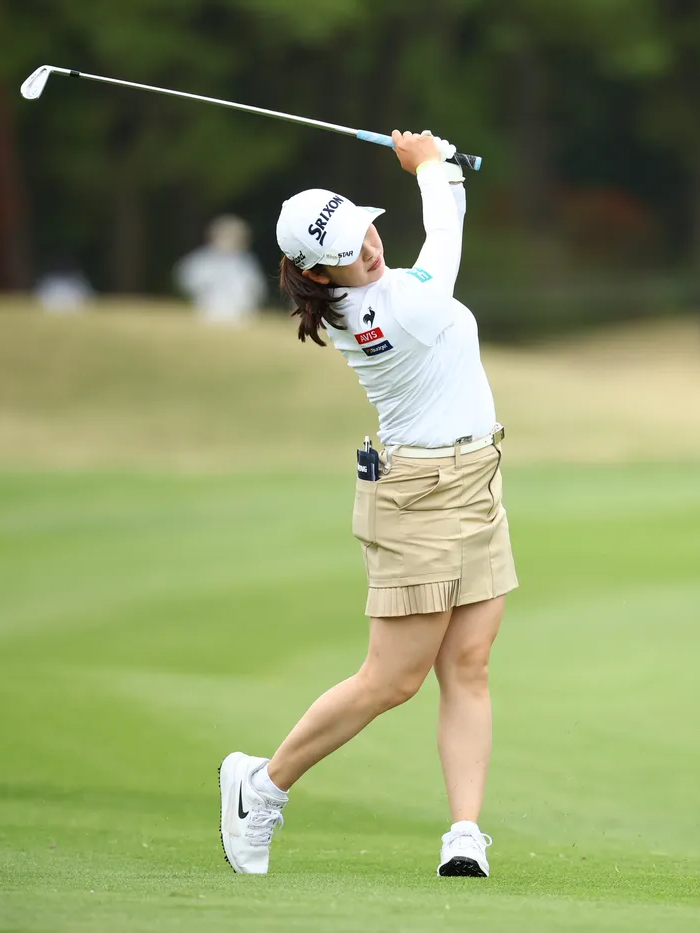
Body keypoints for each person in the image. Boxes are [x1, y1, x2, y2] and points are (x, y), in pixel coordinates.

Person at [218, 130, 517, 879]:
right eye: (351, 250)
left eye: (366, 232)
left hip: (476, 477)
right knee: (392, 679)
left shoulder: (384, 290)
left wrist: (447, 173)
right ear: (320, 272)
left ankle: (465, 833)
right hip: (420, 495)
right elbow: (443, 244)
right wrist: (429, 168)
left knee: (470, 663)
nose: (371, 248)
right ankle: (261, 787)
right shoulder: (392, 309)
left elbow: (442, 231)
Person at [174, 214, 266, 324]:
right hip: (208, 312)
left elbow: (256, 289)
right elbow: (187, 279)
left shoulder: (246, 263)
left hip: (239, 316)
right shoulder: (203, 259)